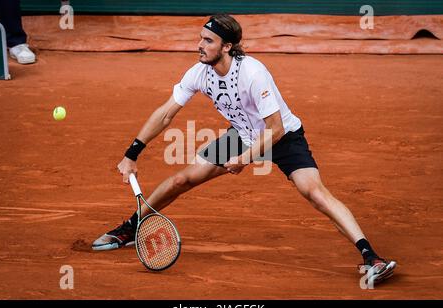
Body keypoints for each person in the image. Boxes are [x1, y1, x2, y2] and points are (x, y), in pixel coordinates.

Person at [92, 14, 396, 285]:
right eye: (200, 38)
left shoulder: (253, 73)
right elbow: (165, 113)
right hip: (241, 135)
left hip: (283, 138)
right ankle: (131, 228)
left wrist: (245, 158)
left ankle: (371, 257)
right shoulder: (199, 72)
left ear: (226, 47)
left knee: (314, 192)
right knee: (181, 180)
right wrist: (132, 153)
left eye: (208, 40)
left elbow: (275, 129)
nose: (199, 45)